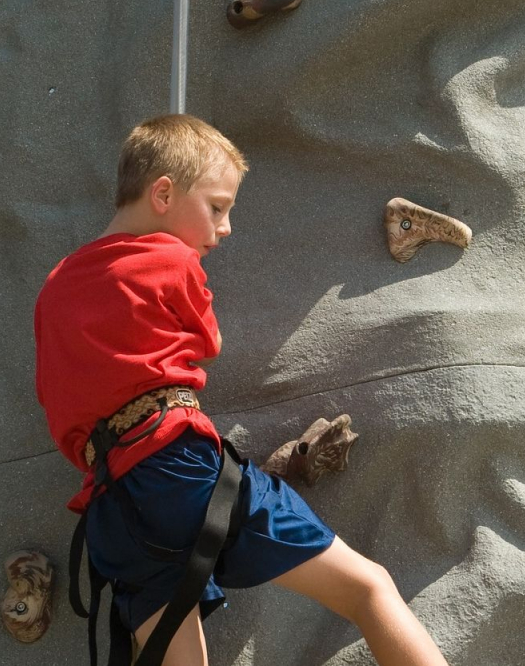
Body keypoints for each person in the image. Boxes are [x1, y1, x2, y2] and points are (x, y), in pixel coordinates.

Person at [34, 113, 449, 666]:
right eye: (217, 207)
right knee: (368, 589)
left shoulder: (57, 284)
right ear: (163, 193)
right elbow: (208, 340)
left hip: (113, 503)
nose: (224, 228)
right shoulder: (173, 259)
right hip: (177, 466)